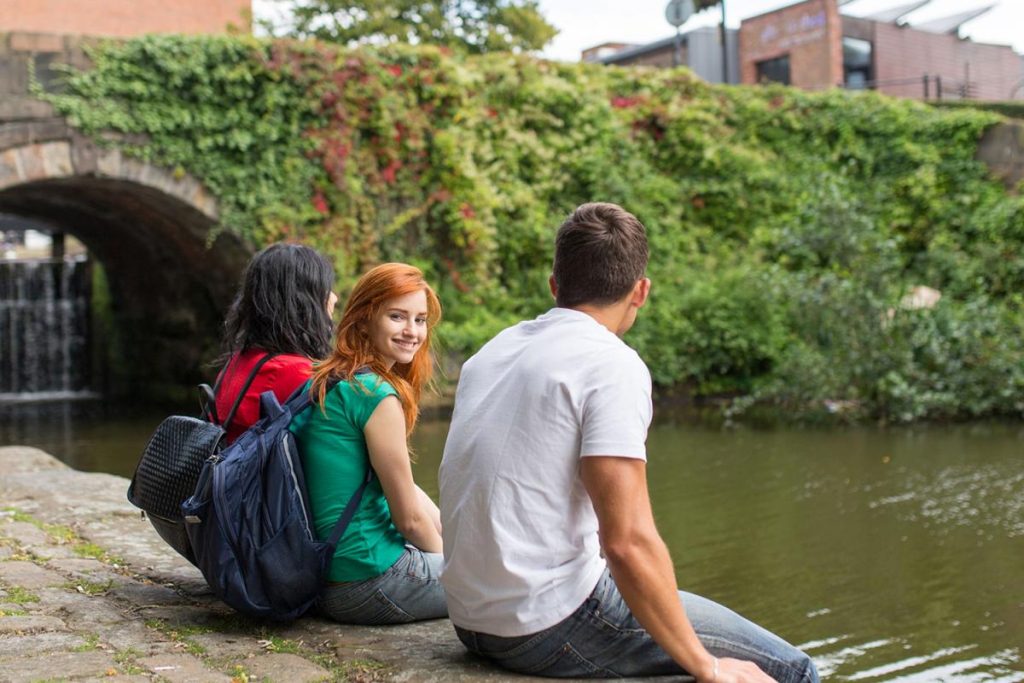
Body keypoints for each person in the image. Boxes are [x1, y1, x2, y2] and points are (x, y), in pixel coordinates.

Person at [438, 203, 819, 682]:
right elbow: (627, 542)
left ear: (555, 284)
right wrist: (708, 666)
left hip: (470, 618)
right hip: (544, 621)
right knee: (792, 669)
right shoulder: (610, 365)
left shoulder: (492, 352)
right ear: (641, 291)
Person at [289, 262, 448, 625]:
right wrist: (456, 570)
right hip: (368, 581)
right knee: (504, 588)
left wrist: (451, 540)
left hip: (324, 576)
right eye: (397, 316)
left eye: (420, 320)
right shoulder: (375, 394)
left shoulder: (329, 378)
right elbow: (408, 520)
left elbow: (409, 494)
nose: (412, 331)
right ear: (363, 319)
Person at [213, 242, 337, 442]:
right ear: (304, 303)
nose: (334, 297)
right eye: (324, 289)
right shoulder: (299, 373)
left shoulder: (238, 362)